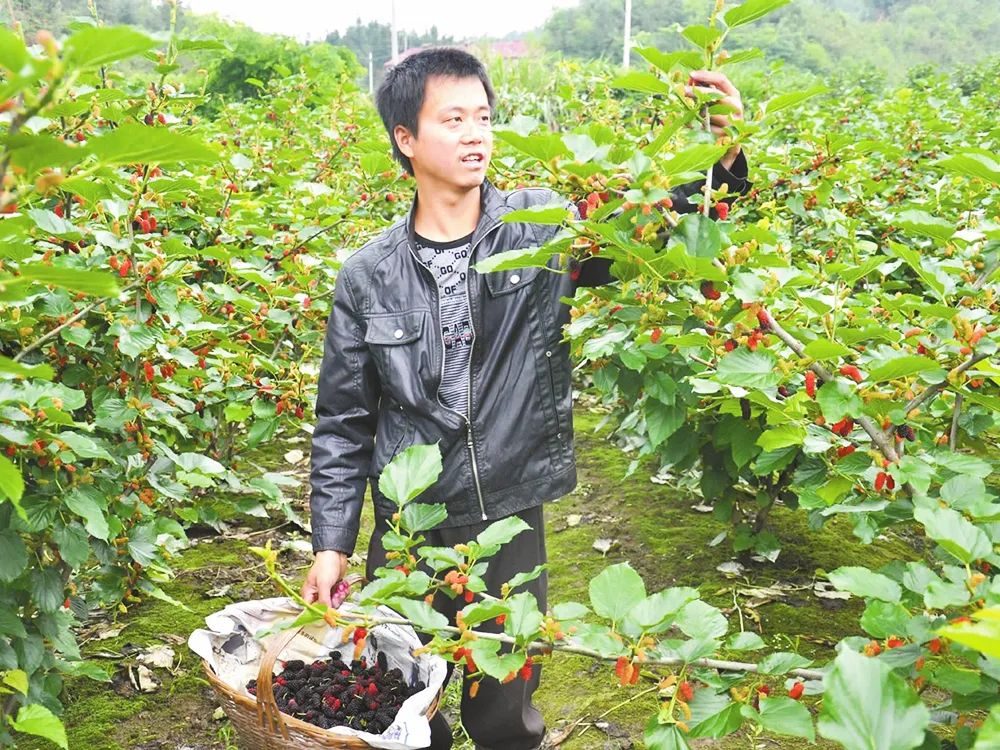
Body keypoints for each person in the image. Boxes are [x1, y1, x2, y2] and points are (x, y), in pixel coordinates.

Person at [301, 48, 749, 750]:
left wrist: (721, 159)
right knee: (404, 688)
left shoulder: (541, 226)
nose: (475, 133)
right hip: (409, 518)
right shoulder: (366, 275)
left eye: (483, 116)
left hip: (504, 505)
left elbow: (647, 230)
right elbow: (344, 420)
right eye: (453, 119)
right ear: (406, 139)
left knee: (504, 700)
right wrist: (332, 543)